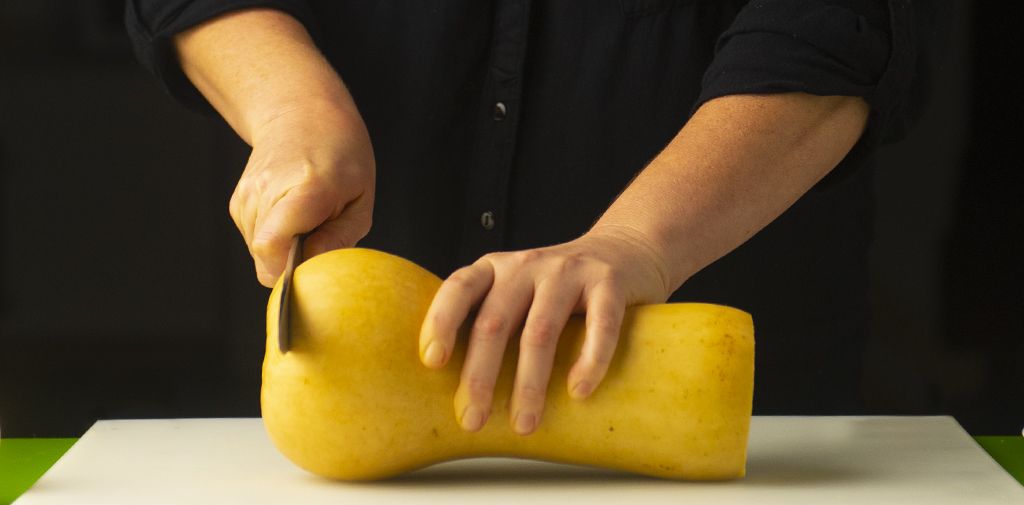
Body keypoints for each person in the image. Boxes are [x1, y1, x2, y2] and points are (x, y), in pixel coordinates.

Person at [127, 1, 929, 435]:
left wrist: (637, 240)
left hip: (741, 383)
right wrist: (293, 106)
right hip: (358, 438)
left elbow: (839, 18)